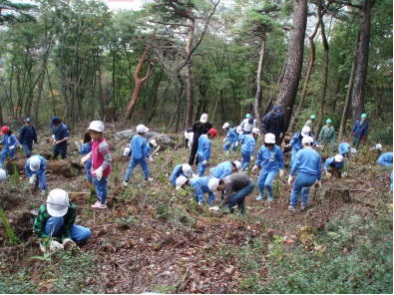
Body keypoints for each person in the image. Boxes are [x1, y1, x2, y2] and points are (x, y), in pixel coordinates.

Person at [33, 188, 92, 253]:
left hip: (61, 230)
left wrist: (66, 239)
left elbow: (67, 227)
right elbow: (37, 229)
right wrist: (47, 242)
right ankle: (47, 243)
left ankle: (60, 239)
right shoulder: (43, 209)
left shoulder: (71, 208)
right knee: (57, 219)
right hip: (48, 232)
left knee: (86, 233)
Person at [81, 121, 112, 209]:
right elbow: (94, 151)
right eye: (91, 133)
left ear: (100, 133)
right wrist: (87, 156)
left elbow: (108, 160)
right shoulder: (95, 141)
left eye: (95, 133)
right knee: (97, 185)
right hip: (95, 168)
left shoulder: (103, 145)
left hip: (102, 171)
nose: (93, 135)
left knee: (101, 186)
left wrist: (101, 169)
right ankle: (99, 199)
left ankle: (102, 203)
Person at [288, 136, 322, 212]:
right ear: (312, 144)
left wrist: (291, 175)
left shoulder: (300, 152)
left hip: (301, 176)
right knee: (306, 188)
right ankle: (303, 204)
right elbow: (319, 169)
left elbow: (295, 165)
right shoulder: (317, 154)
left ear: (303, 143)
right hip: (312, 178)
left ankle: (292, 206)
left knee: (295, 190)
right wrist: (319, 180)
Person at [252, 133, 285, 202]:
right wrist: (256, 165)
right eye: (267, 144)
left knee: (267, 183)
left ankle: (270, 195)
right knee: (260, 183)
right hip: (264, 168)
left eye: (271, 144)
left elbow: (281, 159)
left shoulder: (277, 149)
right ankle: (261, 194)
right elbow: (259, 158)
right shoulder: (262, 149)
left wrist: (281, 169)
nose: (269, 146)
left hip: (273, 169)